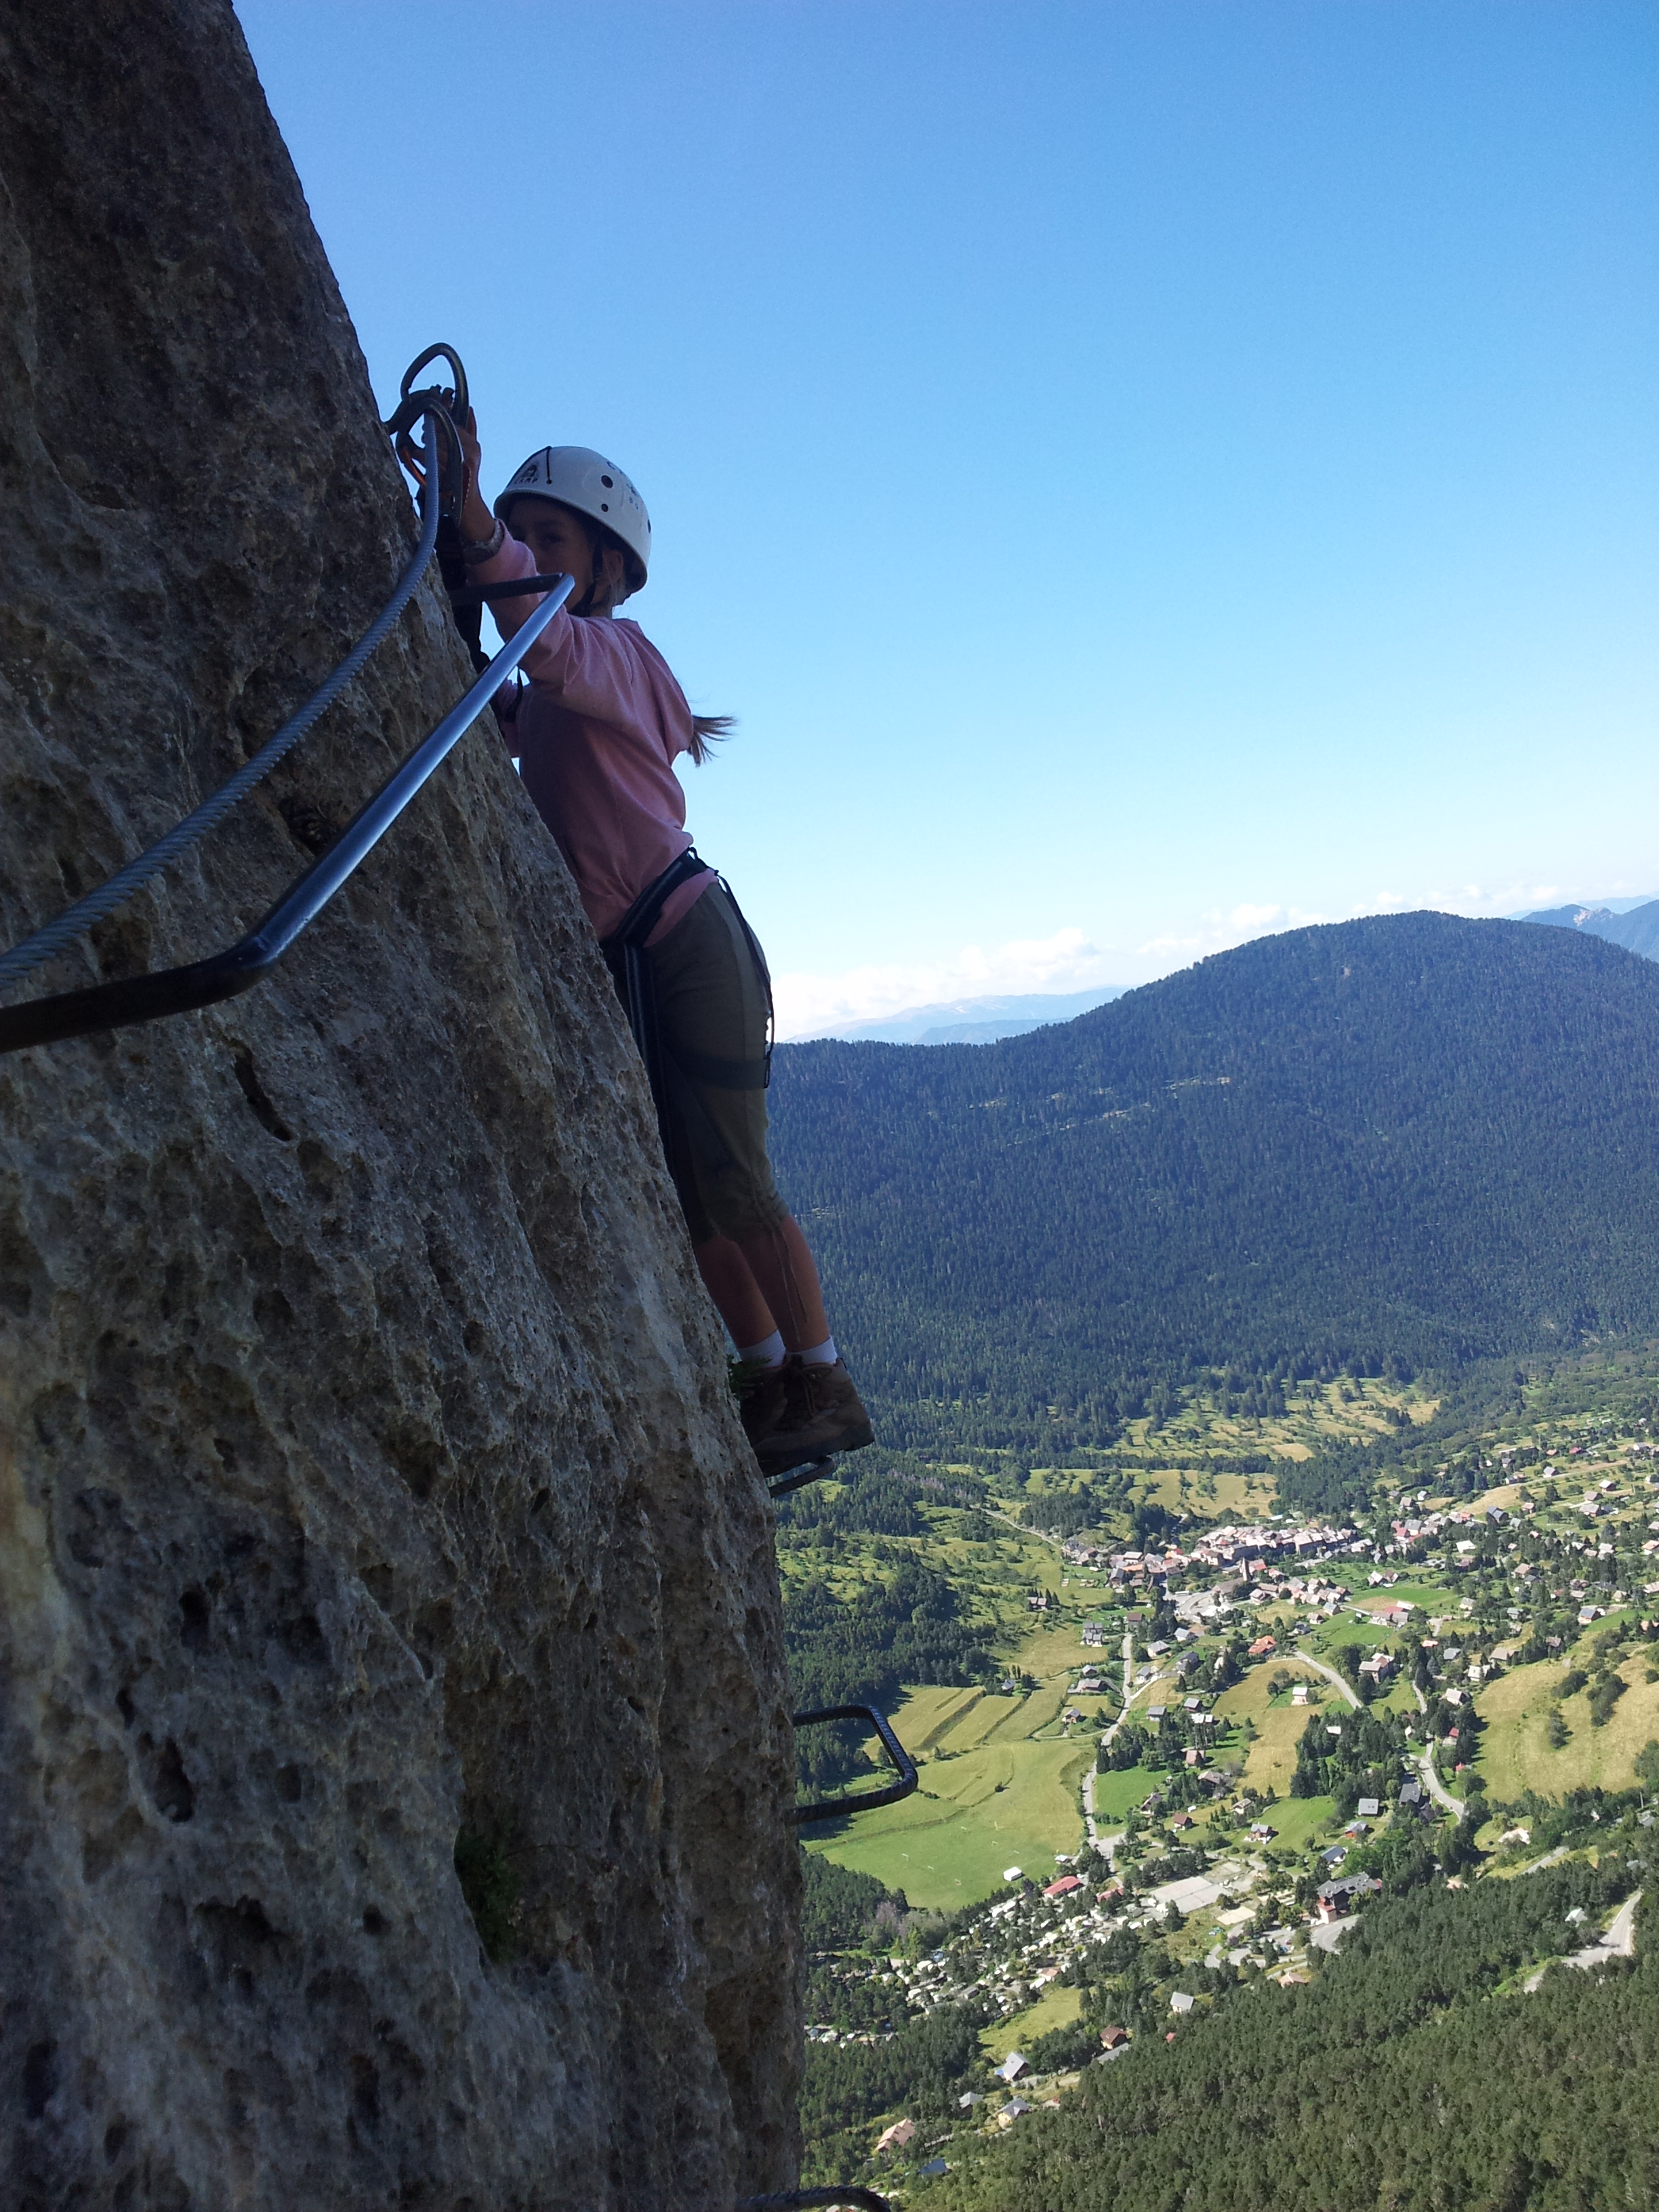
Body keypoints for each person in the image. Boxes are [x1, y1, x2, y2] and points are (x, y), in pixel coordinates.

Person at [455, 419, 872, 1479]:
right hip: (639, 955)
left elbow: (547, 646)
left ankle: (824, 1381)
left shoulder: (618, 657)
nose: (532, 551)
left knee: (734, 1178)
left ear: (609, 569)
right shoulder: (561, 683)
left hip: (687, 941)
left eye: (553, 537)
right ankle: (769, 1371)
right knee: (684, 1198)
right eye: (520, 531)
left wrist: (467, 519)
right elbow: (511, 699)